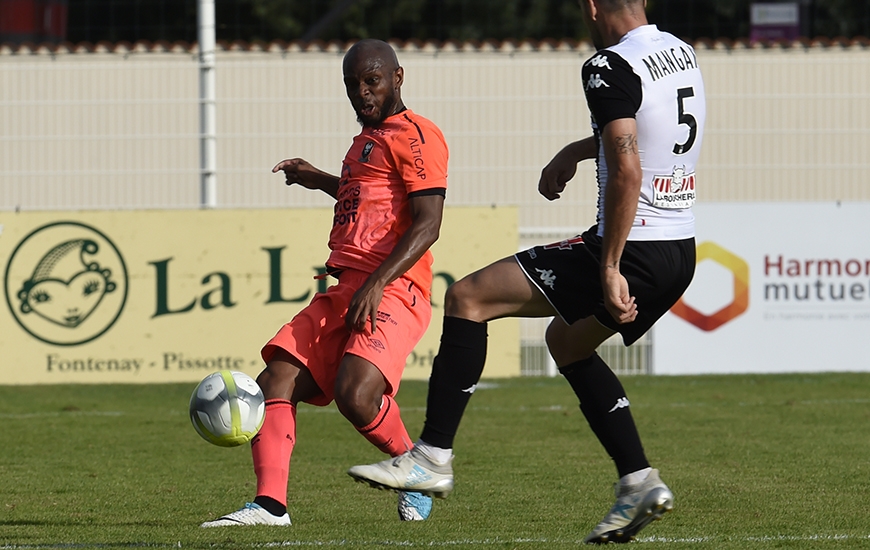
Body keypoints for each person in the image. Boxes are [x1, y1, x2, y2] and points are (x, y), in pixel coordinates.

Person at [347, 0, 705, 543]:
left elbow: (629, 167)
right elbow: (652, 139)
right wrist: (580, 151)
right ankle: (638, 481)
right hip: (680, 250)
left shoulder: (608, 65)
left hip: (632, 248)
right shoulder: (680, 53)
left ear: (591, 5)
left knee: (468, 298)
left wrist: (609, 264)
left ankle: (431, 458)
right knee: (567, 343)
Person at [201, 39, 449, 527]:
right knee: (276, 378)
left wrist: (377, 284)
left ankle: (416, 467)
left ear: (397, 78)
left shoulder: (418, 136)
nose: (362, 92)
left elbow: (428, 222)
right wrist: (319, 179)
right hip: (345, 286)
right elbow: (369, 198)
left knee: (355, 396)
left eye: (371, 81)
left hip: (393, 287)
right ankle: (271, 506)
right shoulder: (366, 140)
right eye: (352, 85)